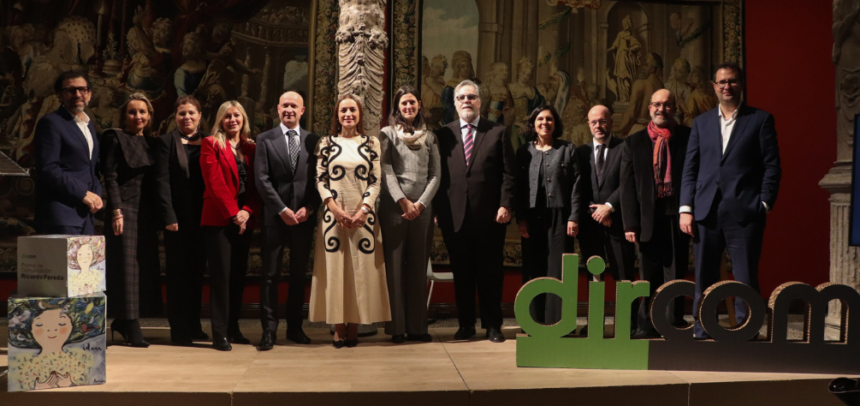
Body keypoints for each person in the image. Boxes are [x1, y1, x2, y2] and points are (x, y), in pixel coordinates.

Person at [679, 62, 781, 338]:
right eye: (721, 82)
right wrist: (685, 209)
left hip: (745, 211)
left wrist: (763, 204)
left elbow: (772, 166)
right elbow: (690, 168)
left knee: (745, 278)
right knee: (704, 278)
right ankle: (702, 331)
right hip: (706, 210)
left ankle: (745, 332)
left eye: (732, 81)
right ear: (714, 87)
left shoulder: (760, 119)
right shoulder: (700, 123)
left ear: (741, 84)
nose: (727, 86)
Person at [433, 80, 516, 343]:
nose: (466, 101)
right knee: (463, 273)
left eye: (471, 97)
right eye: (461, 97)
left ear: (480, 101)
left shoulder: (498, 132)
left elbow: (509, 174)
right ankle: (466, 325)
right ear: (455, 103)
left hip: (491, 217)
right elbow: (436, 176)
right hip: (454, 217)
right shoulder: (442, 135)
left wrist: (506, 204)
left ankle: (493, 326)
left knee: (490, 273)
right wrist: (437, 209)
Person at [309, 94, 391, 348]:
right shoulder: (326, 142)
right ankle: (338, 326)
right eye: (343, 110)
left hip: (363, 218)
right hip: (333, 218)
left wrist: (364, 209)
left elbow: (376, 181)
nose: (348, 115)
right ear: (337, 114)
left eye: (352, 111)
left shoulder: (371, 143)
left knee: (360, 271)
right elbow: (320, 179)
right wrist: (334, 209)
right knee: (335, 271)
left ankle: (355, 323)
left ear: (359, 115)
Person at [620, 89, 691, 338]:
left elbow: (694, 178)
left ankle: (672, 323)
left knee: (675, 271)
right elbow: (627, 187)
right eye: (657, 105)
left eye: (667, 105)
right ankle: (646, 325)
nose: (662, 109)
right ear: (649, 108)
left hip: (678, 215)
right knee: (647, 275)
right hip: (646, 219)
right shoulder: (633, 141)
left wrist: (689, 210)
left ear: (674, 108)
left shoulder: (688, 137)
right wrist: (630, 224)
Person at [254, 91, 320, 350]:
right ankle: (268, 331)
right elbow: (262, 179)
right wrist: (281, 209)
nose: (289, 109)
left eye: (294, 106)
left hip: (304, 219)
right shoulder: (265, 139)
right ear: (277, 109)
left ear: (302, 110)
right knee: (269, 275)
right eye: (285, 105)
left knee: (298, 275)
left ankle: (295, 328)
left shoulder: (314, 141)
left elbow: (319, 180)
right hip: (275, 218)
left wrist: (310, 208)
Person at [379, 85, 440, 343]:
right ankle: (397, 329)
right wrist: (403, 201)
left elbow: (436, 174)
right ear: (397, 107)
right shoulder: (387, 134)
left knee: (418, 268)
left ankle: (418, 328)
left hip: (423, 211)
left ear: (419, 105)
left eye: (412, 103)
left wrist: (422, 204)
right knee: (394, 269)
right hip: (394, 209)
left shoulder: (431, 136)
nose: (408, 107)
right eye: (404, 103)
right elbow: (385, 169)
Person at [102, 93, 161, 348]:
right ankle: (128, 321)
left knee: (142, 267)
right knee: (125, 268)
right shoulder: (115, 137)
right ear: (124, 116)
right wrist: (116, 211)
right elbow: (110, 176)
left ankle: (127, 321)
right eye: (132, 112)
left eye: (142, 112)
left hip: (146, 211)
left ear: (149, 117)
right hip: (123, 209)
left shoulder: (152, 143)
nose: (138, 116)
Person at [200, 100, 260, 351]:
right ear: (220, 121)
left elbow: (258, 185)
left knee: (237, 277)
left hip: (244, 220)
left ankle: (234, 328)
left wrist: (246, 211)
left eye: (237, 115)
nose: (232, 120)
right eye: (227, 116)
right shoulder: (210, 144)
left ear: (243, 119)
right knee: (221, 277)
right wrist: (234, 214)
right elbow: (214, 183)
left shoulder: (252, 148)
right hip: (219, 220)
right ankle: (220, 333)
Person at [152, 95, 210, 345]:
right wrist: (168, 216)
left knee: (198, 274)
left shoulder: (210, 142)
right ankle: (179, 330)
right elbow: (161, 183)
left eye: (191, 113)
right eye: (181, 113)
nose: (187, 117)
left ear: (199, 115)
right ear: (175, 117)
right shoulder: (165, 142)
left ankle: (195, 325)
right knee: (178, 276)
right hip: (176, 220)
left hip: (205, 219)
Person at [575, 105, 637, 335]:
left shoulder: (625, 147)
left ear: (611, 122)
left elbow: (628, 182)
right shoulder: (580, 153)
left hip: (618, 223)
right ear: (588, 124)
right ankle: (595, 326)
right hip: (591, 226)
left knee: (623, 275)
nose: (598, 126)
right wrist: (597, 213)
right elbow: (577, 187)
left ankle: (628, 326)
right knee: (594, 276)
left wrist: (609, 207)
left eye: (602, 121)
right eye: (594, 122)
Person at [515, 105, 580, 326]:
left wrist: (574, 217)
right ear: (533, 124)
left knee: (559, 268)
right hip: (532, 218)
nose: (545, 123)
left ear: (555, 123)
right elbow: (519, 187)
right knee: (533, 268)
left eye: (549, 119)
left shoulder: (568, 149)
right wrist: (521, 219)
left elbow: (577, 187)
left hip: (560, 218)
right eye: (540, 119)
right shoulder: (524, 151)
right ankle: (533, 322)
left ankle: (559, 323)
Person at [33, 70, 102, 234]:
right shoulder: (51, 123)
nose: (77, 94)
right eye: (70, 90)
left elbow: (91, 169)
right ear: (59, 95)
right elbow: (48, 169)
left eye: (82, 89)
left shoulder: (89, 126)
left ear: (89, 94)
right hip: (61, 216)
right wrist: (83, 193)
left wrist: (96, 196)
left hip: (86, 215)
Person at [7, 298, 106, 391]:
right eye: (40, 325)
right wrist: (37, 386)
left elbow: (87, 379)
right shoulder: (25, 364)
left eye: (61, 324)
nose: (52, 330)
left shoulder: (79, 359)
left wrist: (70, 382)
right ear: (30, 329)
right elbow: (19, 383)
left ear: (73, 326)